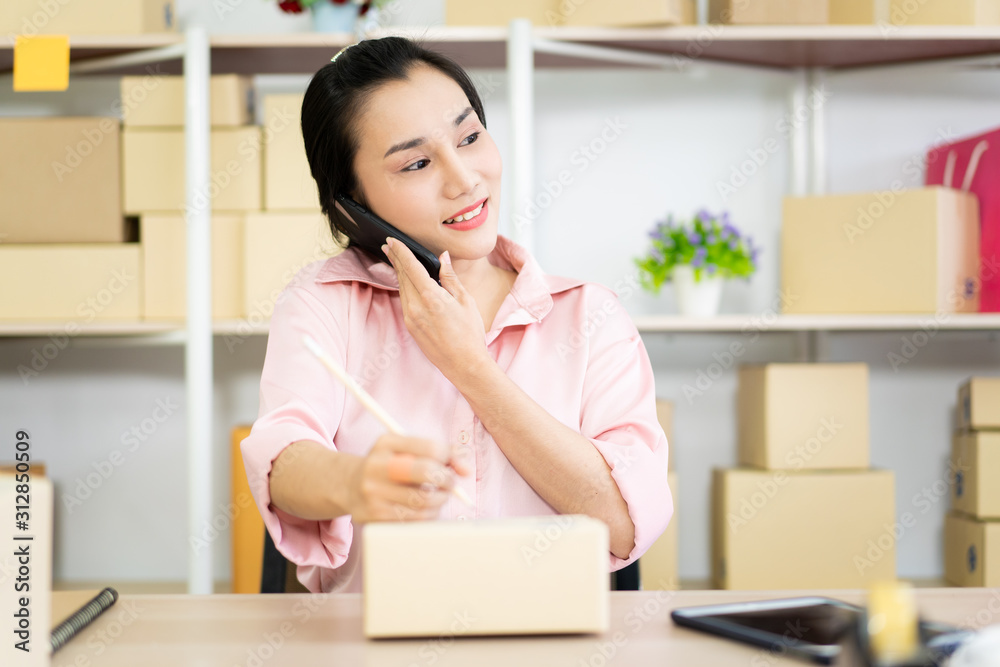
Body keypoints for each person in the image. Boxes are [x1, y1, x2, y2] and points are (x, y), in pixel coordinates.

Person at [241, 36, 672, 594]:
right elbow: (282, 459)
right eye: (416, 163)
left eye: (469, 137)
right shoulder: (325, 303)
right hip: (371, 635)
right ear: (353, 206)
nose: (464, 178)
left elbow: (624, 523)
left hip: (552, 635)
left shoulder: (590, 316)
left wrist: (471, 368)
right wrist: (355, 481)